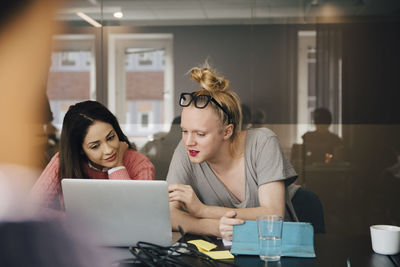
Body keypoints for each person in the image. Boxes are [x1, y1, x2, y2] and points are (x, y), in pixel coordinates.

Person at [167, 66, 299, 241]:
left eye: (200, 134)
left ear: (227, 131)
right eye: (184, 131)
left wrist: (202, 211)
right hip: (219, 253)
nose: (189, 141)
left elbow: (273, 215)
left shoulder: (263, 142)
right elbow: (168, 214)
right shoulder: (187, 150)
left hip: (273, 249)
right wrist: (214, 227)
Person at [31, 100, 155, 213]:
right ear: (80, 150)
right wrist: (70, 222)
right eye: (95, 146)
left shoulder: (140, 163)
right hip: (78, 236)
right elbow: (31, 209)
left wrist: (117, 166)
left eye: (111, 138)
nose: (109, 150)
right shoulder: (63, 161)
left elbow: (137, 214)